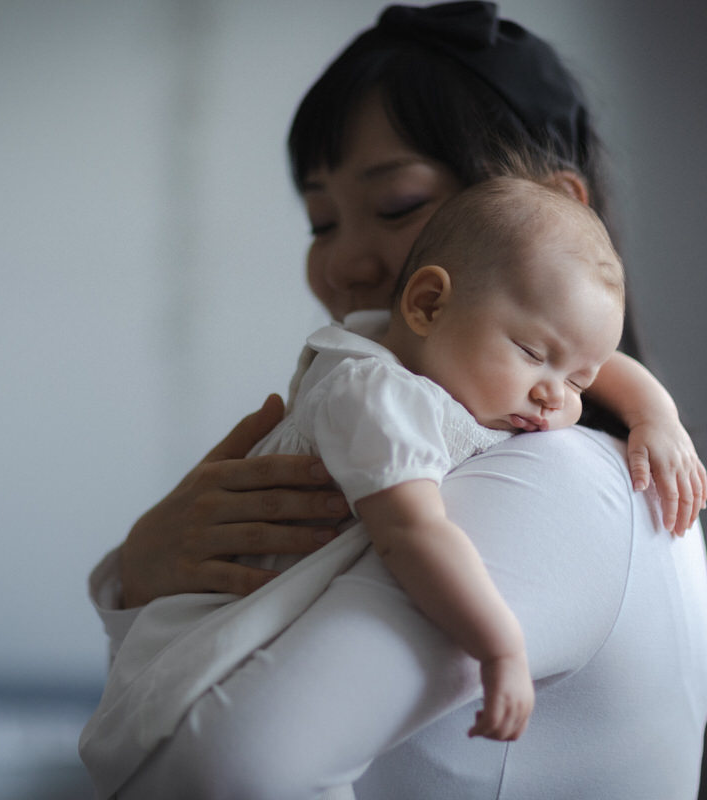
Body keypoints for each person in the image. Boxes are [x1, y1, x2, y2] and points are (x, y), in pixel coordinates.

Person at [88, 3, 707, 797]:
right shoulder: (438, 423)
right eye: (320, 220)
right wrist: (146, 577)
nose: (342, 262)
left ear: (555, 209)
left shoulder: (555, 482)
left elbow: (225, 773)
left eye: (397, 207)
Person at [80, 176, 626, 795]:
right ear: (425, 305)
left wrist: (656, 416)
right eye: (531, 352)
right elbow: (414, 533)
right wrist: (500, 647)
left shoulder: (452, 367)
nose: (554, 396)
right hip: (204, 678)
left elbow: (577, 345)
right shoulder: (379, 395)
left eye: (581, 383)